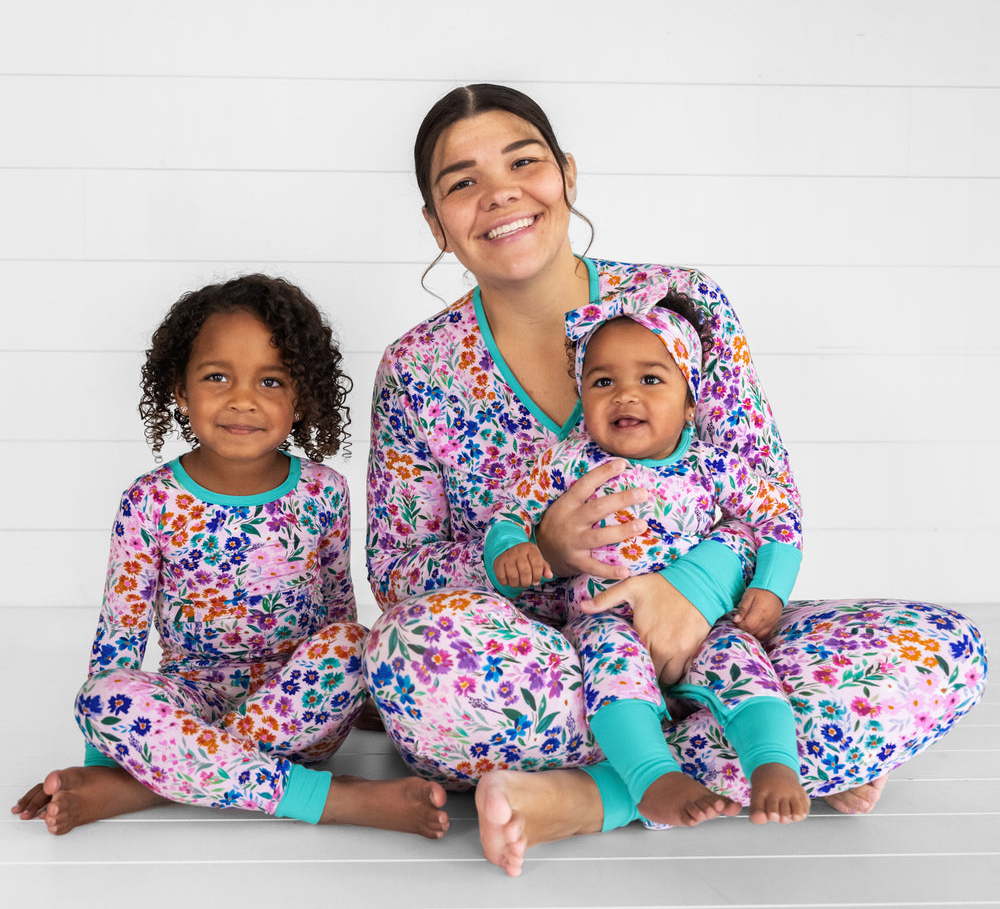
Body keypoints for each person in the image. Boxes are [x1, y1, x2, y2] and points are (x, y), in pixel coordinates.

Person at [361, 84, 987, 877]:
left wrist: (690, 590)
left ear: (568, 175)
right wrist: (541, 554)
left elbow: (763, 497)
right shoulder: (418, 367)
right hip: (552, 663)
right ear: (435, 223)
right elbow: (399, 575)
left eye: (524, 162)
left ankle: (592, 796)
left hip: (719, 633)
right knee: (411, 656)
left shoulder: (681, 302)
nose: (501, 194)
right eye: (462, 182)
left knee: (944, 651)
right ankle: (780, 754)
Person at [11, 274, 448, 839]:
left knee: (350, 646)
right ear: (180, 389)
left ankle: (146, 783)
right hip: (189, 697)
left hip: (296, 703)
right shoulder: (150, 500)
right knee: (103, 697)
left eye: (271, 381)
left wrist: (356, 689)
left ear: (300, 398)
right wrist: (105, 753)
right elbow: (119, 636)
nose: (243, 399)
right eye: (217, 376)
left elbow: (338, 607)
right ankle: (327, 798)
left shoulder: (324, 490)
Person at [488, 285, 809, 828]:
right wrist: (515, 548)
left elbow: (778, 519)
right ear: (583, 398)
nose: (625, 395)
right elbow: (508, 514)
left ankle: (773, 765)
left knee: (748, 666)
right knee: (613, 673)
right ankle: (653, 776)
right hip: (605, 616)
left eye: (651, 379)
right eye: (603, 381)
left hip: (708, 622)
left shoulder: (715, 466)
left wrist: (772, 586)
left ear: (689, 402)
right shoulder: (570, 462)